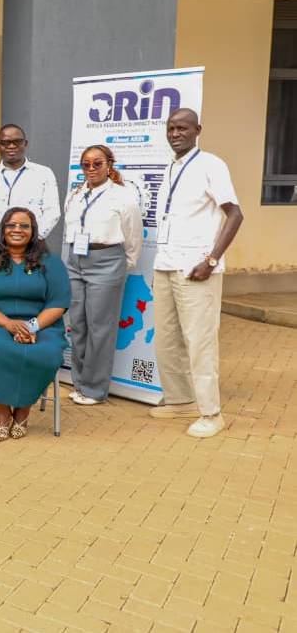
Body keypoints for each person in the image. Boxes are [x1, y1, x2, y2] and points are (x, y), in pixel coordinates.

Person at [150, 109, 242, 438]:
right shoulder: (171, 167)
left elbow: (235, 214)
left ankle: (211, 413)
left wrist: (212, 259)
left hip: (197, 269)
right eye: (171, 128)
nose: (175, 133)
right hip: (165, 265)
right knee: (166, 340)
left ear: (197, 130)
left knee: (200, 343)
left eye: (183, 128)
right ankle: (181, 400)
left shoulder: (211, 165)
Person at [0, 208, 71, 441]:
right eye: (11, 225)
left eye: (24, 226)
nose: (17, 230)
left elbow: (59, 302)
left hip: (41, 325)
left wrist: (31, 327)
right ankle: (2, 412)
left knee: (46, 353)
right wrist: (9, 325)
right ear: (3, 229)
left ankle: (23, 410)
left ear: (33, 232)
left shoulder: (50, 261)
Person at [62, 144, 143, 405]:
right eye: (86, 164)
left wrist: (123, 264)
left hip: (107, 260)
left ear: (109, 165)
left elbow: (133, 236)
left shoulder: (123, 196)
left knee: (100, 328)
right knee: (78, 325)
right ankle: (79, 383)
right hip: (76, 260)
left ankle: (94, 390)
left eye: (97, 163)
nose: (91, 169)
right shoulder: (75, 194)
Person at [0, 124, 61, 245]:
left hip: (33, 246)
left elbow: (52, 212)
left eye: (17, 141)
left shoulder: (44, 174)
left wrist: (33, 238)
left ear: (25, 143)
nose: (12, 146)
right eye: (5, 143)